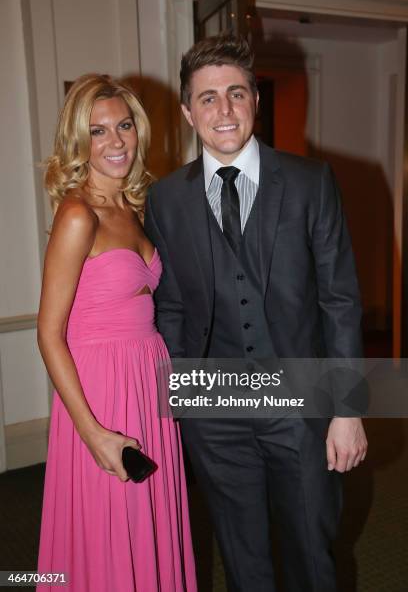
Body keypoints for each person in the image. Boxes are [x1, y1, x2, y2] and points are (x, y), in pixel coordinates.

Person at [144, 35, 368, 592]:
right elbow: (169, 305)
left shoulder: (310, 182)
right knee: (243, 560)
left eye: (236, 94)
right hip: (215, 412)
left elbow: (339, 299)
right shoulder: (165, 199)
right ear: (187, 112)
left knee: (311, 552)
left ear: (255, 102)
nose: (224, 110)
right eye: (208, 97)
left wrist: (347, 409)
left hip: (300, 402)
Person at [36, 74, 197, 591]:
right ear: (78, 142)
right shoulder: (78, 214)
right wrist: (93, 433)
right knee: (111, 529)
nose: (115, 141)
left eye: (123, 126)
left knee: (149, 521)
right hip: (102, 391)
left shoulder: (134, 208)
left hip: (148, 380)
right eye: (98, 131)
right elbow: (48, 334)